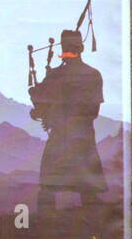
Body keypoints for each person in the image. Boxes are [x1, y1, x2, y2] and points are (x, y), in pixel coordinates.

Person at [28, 28, 106, 214]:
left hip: (61, 136)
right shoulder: (93, 74)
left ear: (62, 48)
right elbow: (93, 111)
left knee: (48, 186)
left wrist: (39, 105)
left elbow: (40, 107)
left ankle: (46, 223)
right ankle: (92, 221)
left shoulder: (55, 75)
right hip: (83, 136)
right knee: (87, 186)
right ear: (82, 48)